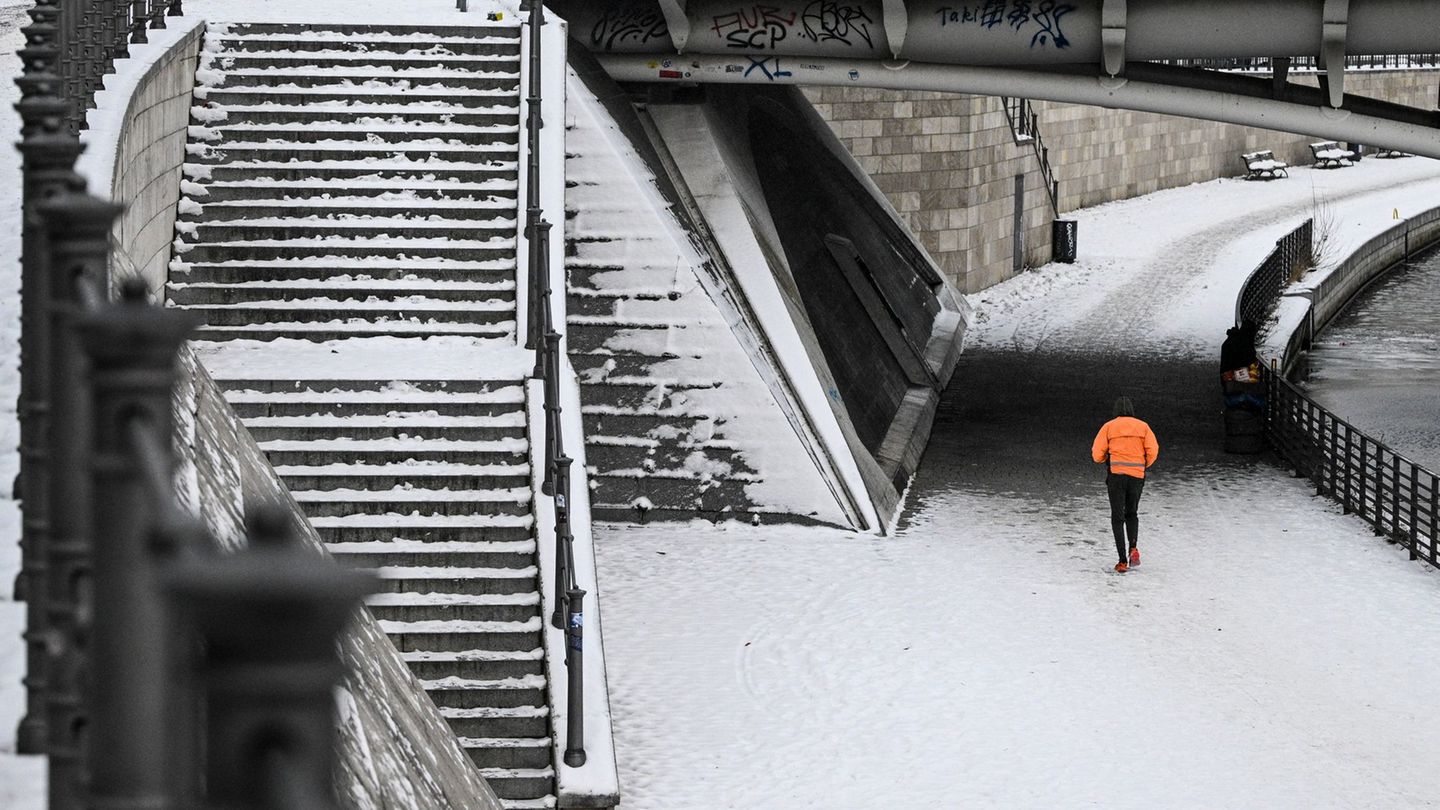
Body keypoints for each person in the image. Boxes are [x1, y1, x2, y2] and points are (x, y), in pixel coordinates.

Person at [1091, 397, 1160, 573]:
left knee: (1117, 517)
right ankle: (1133, 548)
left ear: (1115, 412)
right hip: (1137, 476)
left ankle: (1122, 561)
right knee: (1132, 513)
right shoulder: (1144, 427)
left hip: (1117, 476)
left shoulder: (1108, 427)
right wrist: (1143, 465)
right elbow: (1153, 450)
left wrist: (1107, 458)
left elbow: (1096, 454)